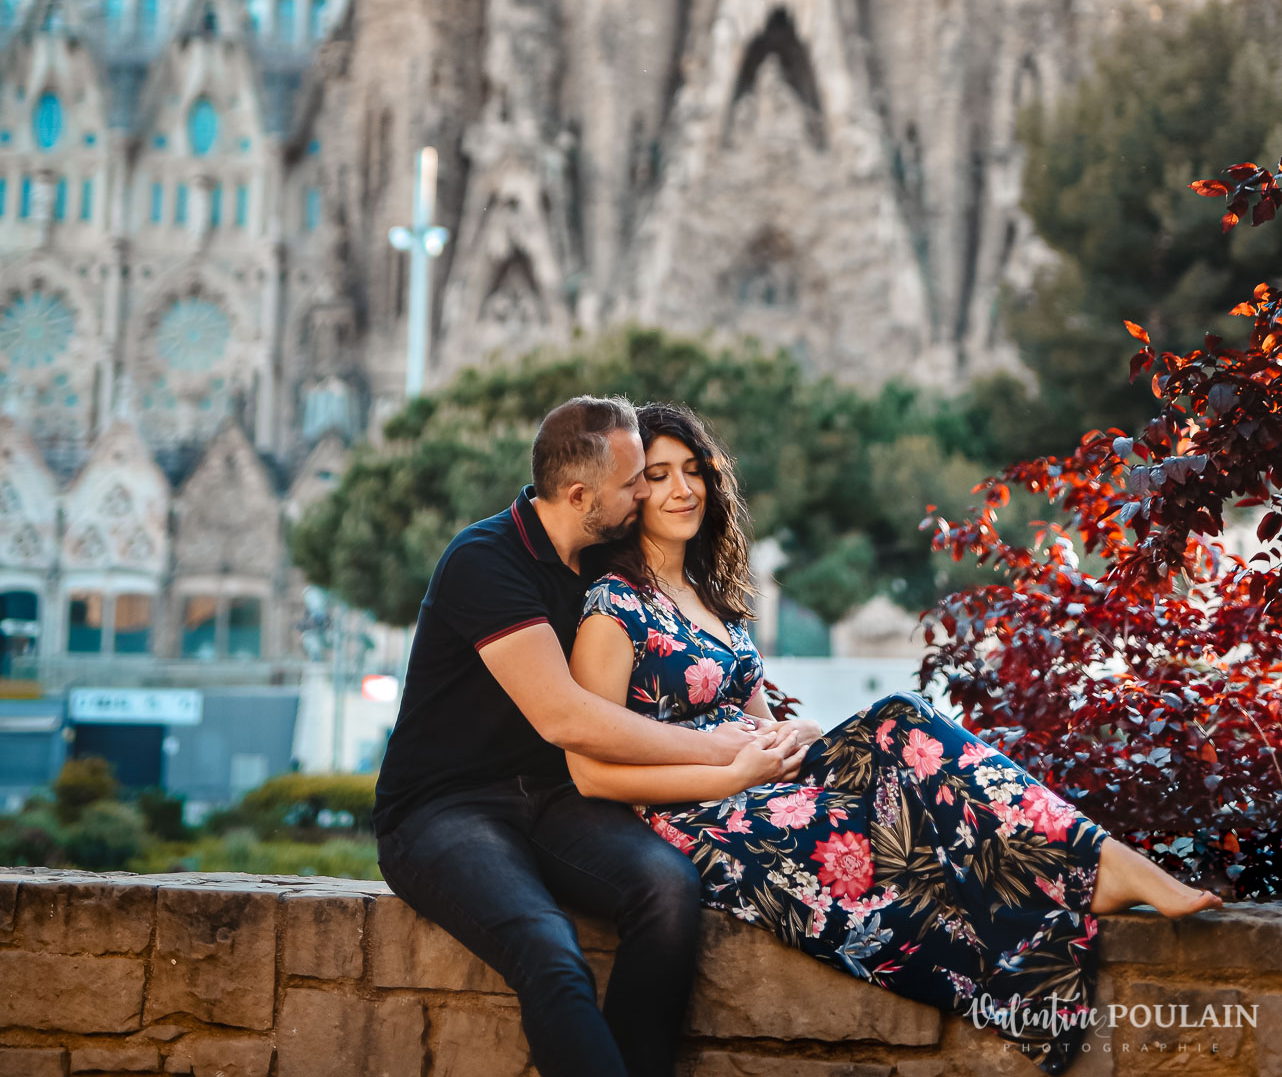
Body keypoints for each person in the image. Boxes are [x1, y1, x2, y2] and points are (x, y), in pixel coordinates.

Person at [568, 402, 1222, 1076]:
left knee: (902, 718)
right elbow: (591, 772)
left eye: (693, 470)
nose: (682, 489)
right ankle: (1086, 880)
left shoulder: (714, 599)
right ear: (632, 493)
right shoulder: (613, 608)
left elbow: (759, 721)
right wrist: (729, 777)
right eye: (659, 475)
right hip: (699, 816)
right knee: (888, 828)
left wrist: (799, 732)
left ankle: (1092, 859)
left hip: (765, 782)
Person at [373, 393, 809, 1077]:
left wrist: (772, 732)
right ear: (580, 496)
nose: (645, 494)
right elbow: (565, 718)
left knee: (668, 892)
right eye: (635, 482)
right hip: (445, 809)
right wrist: (722, 750)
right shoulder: (485, 560)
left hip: (555, 801)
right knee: (548, 948)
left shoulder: (604, 562)